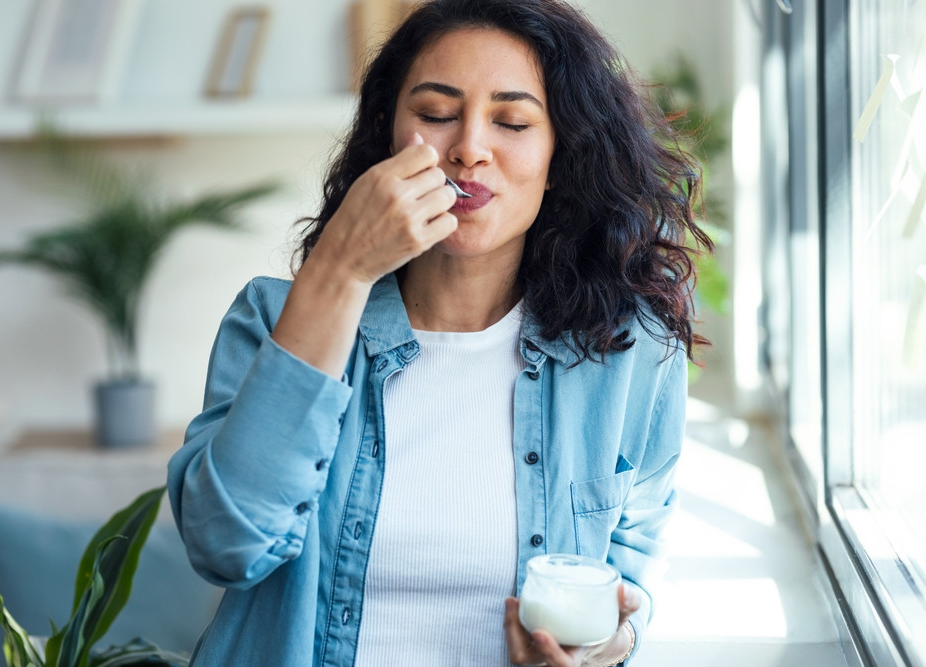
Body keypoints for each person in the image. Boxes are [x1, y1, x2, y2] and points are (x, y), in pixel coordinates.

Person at [167, 0, 711, 664]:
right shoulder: (272, 319)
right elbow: (225, 544)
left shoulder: (631, 352)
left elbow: (628, 570)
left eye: (511, 120)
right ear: (389, 136)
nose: (469, 150)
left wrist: (613, 638)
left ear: (560, 155)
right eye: (434, 114)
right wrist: (338, 268)